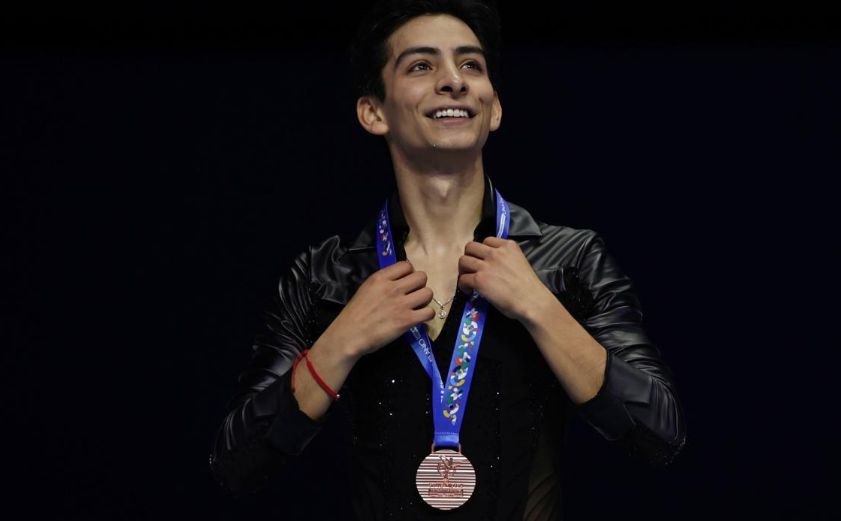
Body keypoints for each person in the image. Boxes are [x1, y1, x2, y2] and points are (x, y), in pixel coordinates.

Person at [209, 0, 686, 518]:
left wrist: (540, 308)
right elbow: (238, 462)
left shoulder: (568, 258)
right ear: (374, 112)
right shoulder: (326, 274)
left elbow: (660, 435)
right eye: (421, 65)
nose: (453, 81)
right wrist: (340, 343)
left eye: (470, 65)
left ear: (495, 107)